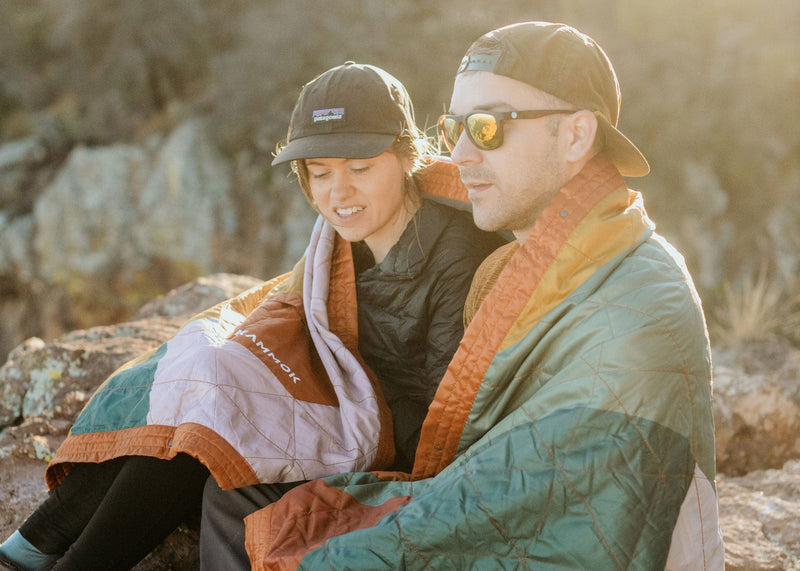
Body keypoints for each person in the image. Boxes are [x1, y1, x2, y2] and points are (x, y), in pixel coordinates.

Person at [237, 22, 725, 570]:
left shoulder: (633, 294)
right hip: (491, 496)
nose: (460, 155)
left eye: (488, 127)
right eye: (454, 129)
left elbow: (559, 495)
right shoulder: (554, 261)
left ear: (576, 137)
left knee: (287, 526)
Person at [0, 62, 503, 571]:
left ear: (405, 156)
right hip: (336, 407)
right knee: (204, 382)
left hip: (388, 449)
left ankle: (52, 552)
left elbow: (447, 423)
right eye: (321, 173)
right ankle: (38, 541)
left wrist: (301, 413)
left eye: (360, 168)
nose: (339, 193)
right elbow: (292, 321)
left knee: (217, 426)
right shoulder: (337, 248)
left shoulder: (458, 257)